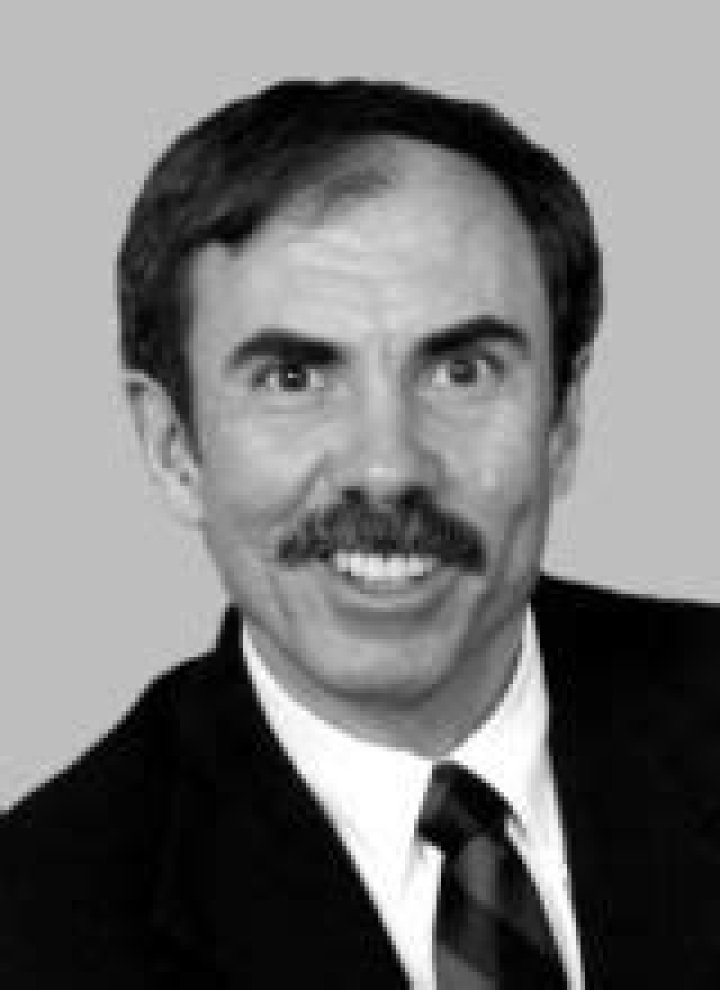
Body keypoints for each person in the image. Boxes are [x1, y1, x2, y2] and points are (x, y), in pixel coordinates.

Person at [1, 79, 718, 989]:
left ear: (564, 422)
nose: (387, 468)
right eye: (293, 379)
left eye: (462, 371)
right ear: (174, 447)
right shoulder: (36, 927)